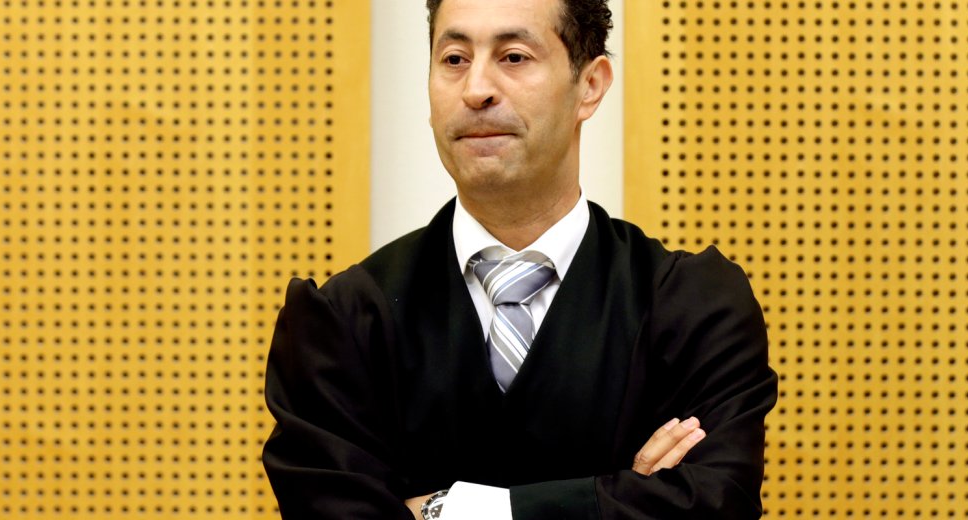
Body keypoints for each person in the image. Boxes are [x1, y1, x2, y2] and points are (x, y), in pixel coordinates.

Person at [261, 0, 778, 518]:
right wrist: (617, 500)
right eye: (455, 59)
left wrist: (444, 511)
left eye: (513, 57)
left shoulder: (694, 308)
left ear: (590, 85)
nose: (476, 89)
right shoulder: (340, 322)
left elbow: (716, 503)